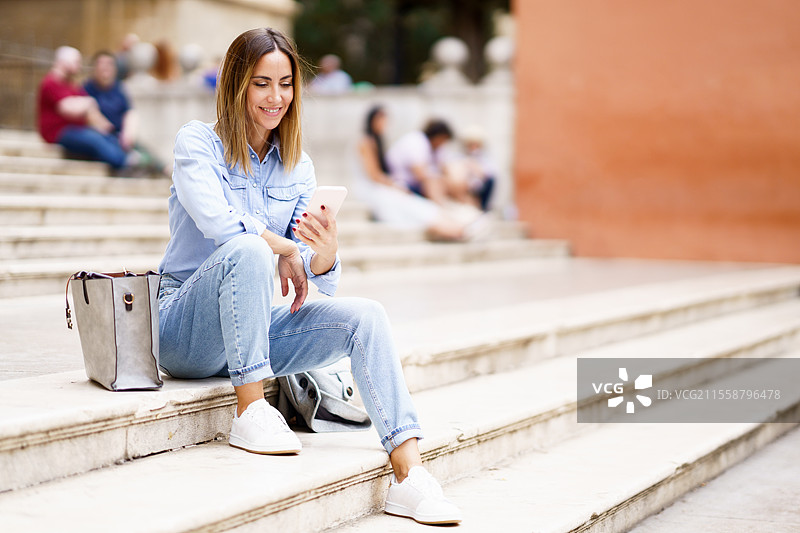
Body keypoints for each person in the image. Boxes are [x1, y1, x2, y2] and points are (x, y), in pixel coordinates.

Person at [157, 28, 462, 526]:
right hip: (184, 331)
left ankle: (409, 476)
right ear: (236, 84)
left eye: (285, 83)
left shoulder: (298, 167)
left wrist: (323, 256)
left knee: (367, 316)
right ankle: (251, 410)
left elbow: (309, 289)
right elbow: (218, 223)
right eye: (261, 84)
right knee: (248, 248)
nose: (276, 97)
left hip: (256, 326)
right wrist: (278, 245)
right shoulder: (198, 143)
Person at [355, 106, 471, 241]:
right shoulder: (366, 142)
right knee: (413, 208)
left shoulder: (378, 141)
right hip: (374, 191)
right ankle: (456, 230)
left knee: (418, 205)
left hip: (385, 187)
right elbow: (374, 175)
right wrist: (394, 185)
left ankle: (458, 227)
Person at [37, 46, 136, 171]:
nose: (79, 66)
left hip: (76, 129)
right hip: (59, 133)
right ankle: (124, 162)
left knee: (106, 137)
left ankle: (129, 159)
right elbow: (67, 108)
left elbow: (91, 110)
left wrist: (105, 126)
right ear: (64, 62)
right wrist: (88, 103)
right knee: (94, 139)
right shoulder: (51, 83)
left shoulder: (71, 85)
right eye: (76, 62)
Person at [84, 50, 164, 176]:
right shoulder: (87, 89)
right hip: (103, 136)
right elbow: (90, 115)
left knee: (146, 151)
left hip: (121, 135)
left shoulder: (118, 88)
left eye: (109, 64)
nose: (105, 68)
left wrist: (128, 133)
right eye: (101, 64)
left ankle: (164, 169)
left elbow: (129, 111)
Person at [385, 119, 454, 205]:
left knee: (446, 179)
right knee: (431, 181)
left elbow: (444, 169)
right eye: (443, 140)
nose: (443, 143)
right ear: (438, 136)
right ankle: (441, 208)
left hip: (415, 184)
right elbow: (419, 173)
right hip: (401, 182)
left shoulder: (436, 148)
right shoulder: (417, 141)